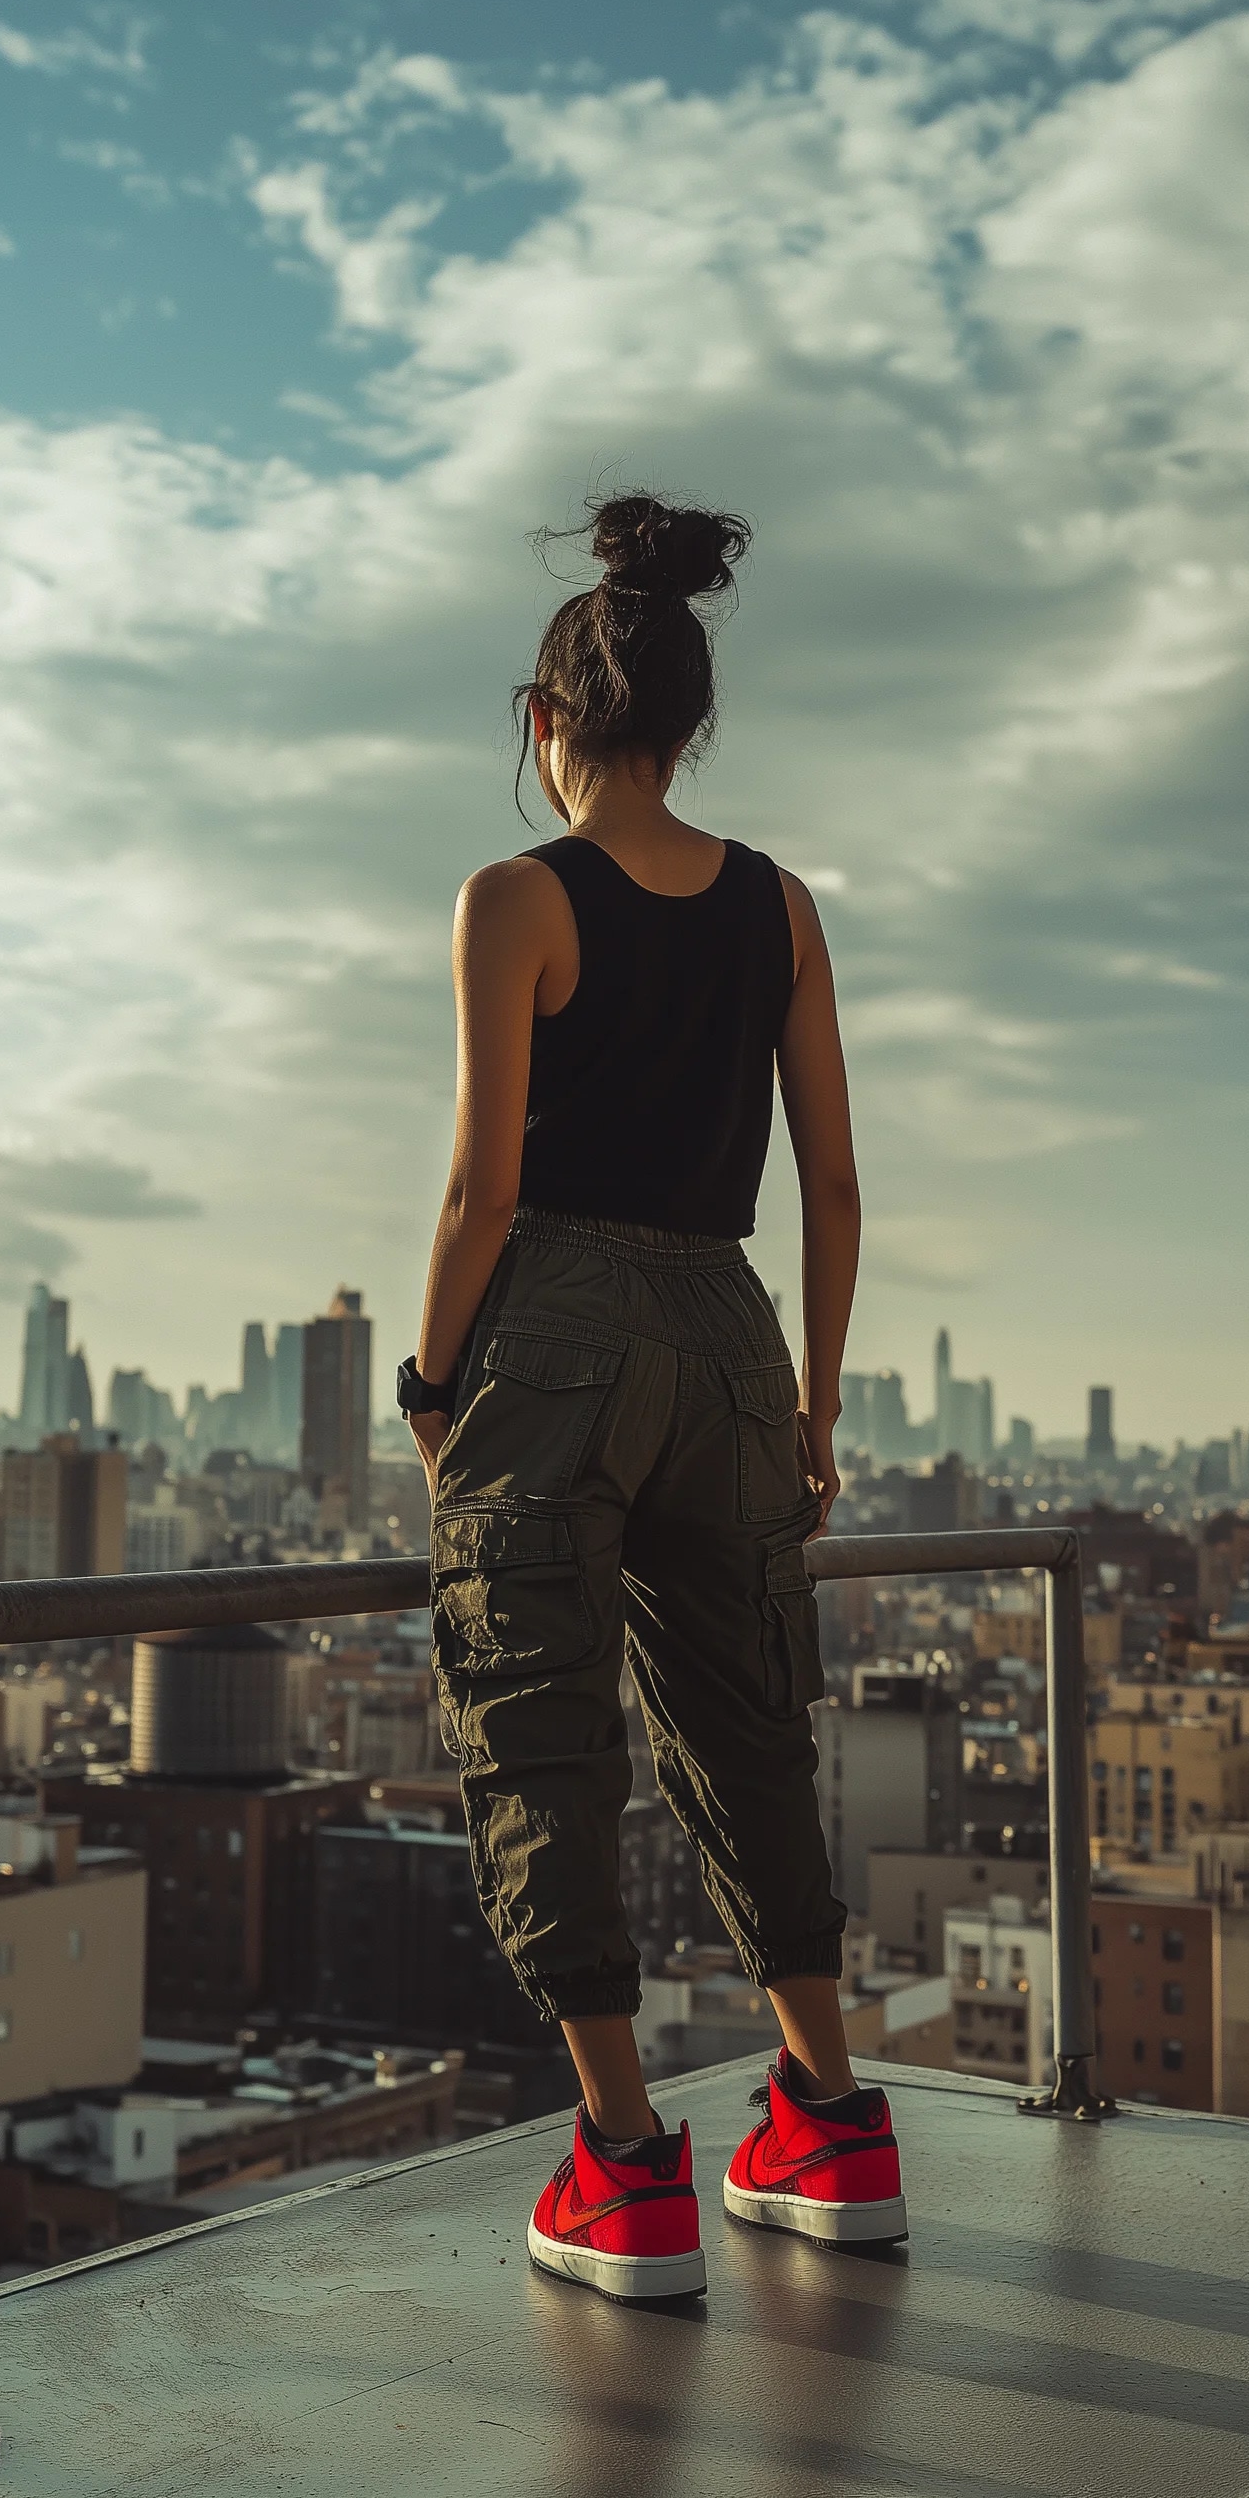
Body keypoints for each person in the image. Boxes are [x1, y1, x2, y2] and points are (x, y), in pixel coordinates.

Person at [399, 491, 905, 2303]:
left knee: (541, 1723)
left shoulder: (515, 898)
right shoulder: (780, 907)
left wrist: (433, 1379)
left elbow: (481, 1194)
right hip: (735, 1336)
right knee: (752, 1716)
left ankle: (626, 2171)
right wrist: (817, 1409)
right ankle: (833, 2122)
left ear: (549, 724)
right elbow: (836, 1188)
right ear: (688, 724)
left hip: (557, 1335)